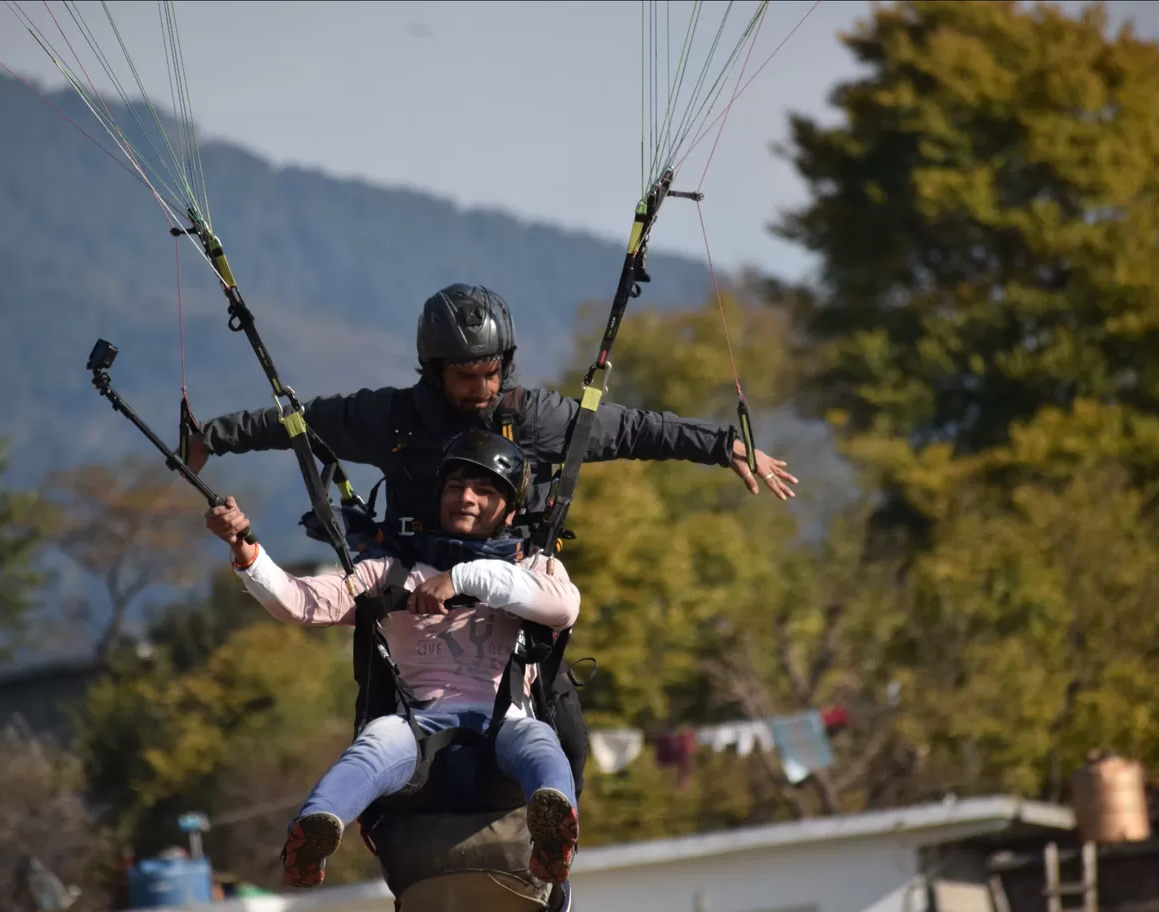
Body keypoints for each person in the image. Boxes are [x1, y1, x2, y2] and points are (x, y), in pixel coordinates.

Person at [205, 428, 583, 894]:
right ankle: (316, 828)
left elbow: (564, 607)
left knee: (541, 742)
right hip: (416, 723)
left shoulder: (534, 567)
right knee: (374, 743)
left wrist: (461, 577)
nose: (465, 498)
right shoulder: (389, 572)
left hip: (505, 719)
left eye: (484, 491)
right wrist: (245, 548)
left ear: (509, 509)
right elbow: (295, 601)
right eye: (455, 487)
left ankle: (553, 830)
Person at [185, 282, 797, 539]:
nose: (481, 388)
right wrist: (212, 437)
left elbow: (634, 429)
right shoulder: (390, 417)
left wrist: (725, 445)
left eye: (490, 373)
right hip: (413, 589)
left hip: (511, 585)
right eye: (465, 376)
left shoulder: (532, 417)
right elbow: (298, 423)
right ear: (434, 369)